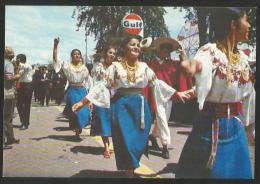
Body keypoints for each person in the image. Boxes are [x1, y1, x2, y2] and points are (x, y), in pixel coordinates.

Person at [72, 35, 190, 177]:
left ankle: (130, 168)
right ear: (124, 48)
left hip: (140, 108)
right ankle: (129, 171)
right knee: (125, 141)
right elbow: (101, 86)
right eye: (132, 44)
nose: (136, 47)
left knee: (138, 142)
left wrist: (176, 94)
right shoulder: (115, 67)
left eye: (138, 45)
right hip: (121, 107)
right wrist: (82, 102)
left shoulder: (144, 67)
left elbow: (157, 84)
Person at [176, 8, 254, 179]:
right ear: (233, 25)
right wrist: (193, 66)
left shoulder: (242, 58)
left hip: (235, 126)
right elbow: (201, 63)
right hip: (209, 125)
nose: (249, 25)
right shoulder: (210, 51)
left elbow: (248, 93)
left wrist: (249, 127)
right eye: (246, 20)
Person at [145, 37, 195, 159]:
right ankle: (165, 146)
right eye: (164, 49)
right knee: (162, 119)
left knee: (163, 120)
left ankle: (153, 136)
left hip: (169, 95)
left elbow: (186, 69)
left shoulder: (173, 64)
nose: (166, 52)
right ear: (159, 50)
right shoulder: (151, 63)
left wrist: (183, 56)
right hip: (156, 95)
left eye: (168, 50)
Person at [53, 37, 93, 139]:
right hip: (72, 91)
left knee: (84, 111)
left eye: (78, 54)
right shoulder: (67, 66)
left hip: (82, 91)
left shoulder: (84, 67)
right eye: (75, 54)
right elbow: (55, 60)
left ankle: (78, 128)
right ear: (72, 56)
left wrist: (91, 94)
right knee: (75, 111)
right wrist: (55, 46)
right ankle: (77, 128)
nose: (77, 55)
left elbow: (89, 80)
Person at [90, 45, 117, 158]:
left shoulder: (116, 67)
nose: (112, 55)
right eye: (110, 52)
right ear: (105, 53)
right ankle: (106, 146)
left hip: (114, 97)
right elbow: (94, 83)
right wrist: (91, 99)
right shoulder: (98, 67)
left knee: (113, 122)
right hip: (100, 97)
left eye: (114, 53)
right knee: (103, 121)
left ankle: (112, 144)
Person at [4, 46, 20, 148]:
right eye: (12, 52)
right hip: (7, 93)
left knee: (8, 118)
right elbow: (9, 77)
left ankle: (10, 138)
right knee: (6, 118)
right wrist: (17, 76)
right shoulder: (8, 63)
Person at [16, 54, 34, 130]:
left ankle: (25, 123)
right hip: (21, 85)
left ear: (21, 59)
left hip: (28, 86)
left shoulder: (28, 66)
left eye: (18, 59)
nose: (16, 60)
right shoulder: (19, 67)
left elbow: (25, 67)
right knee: (18, 104)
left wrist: (18, 63)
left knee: (26, 105)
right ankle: (22, 121)